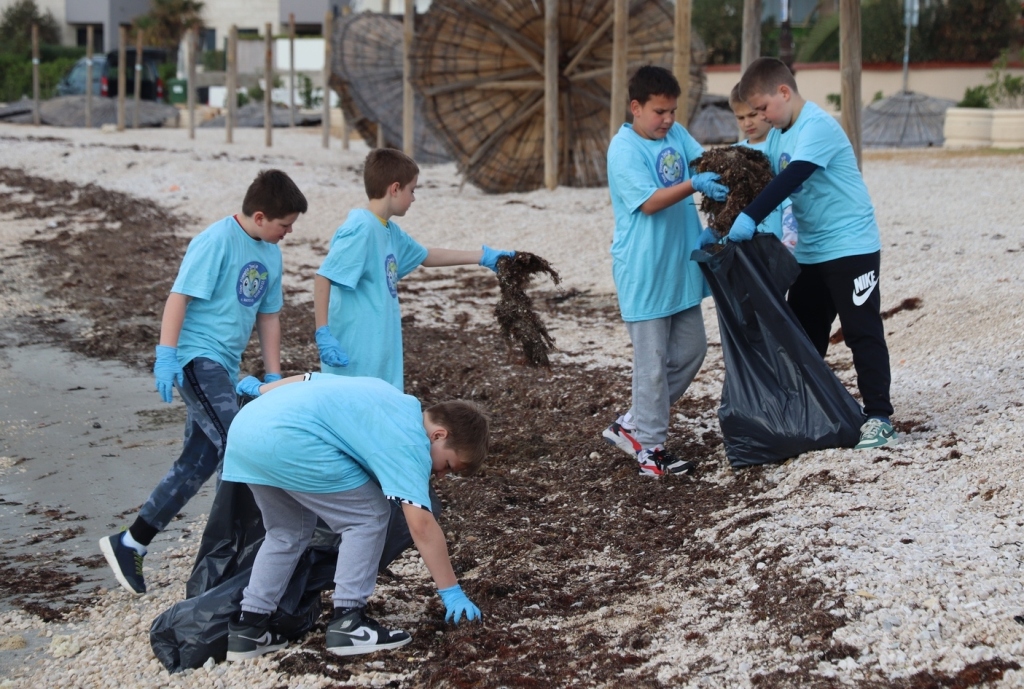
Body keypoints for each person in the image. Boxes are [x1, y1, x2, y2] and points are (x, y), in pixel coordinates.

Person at [99, 169, 308, 596]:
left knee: (198, 463)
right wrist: (166, 355)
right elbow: (180, 297)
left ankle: (131, 541)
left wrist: (272, 374)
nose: (289, 233)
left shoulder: (270, 252)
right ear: (262, 215)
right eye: (285, 225)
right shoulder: (216, 241)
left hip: (226, 368)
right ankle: (235, 556)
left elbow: (268, 317)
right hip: (198, 360)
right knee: (241, 444)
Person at [221, 373, 487, 661]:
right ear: (438, 435)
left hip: (247, 428)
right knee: (368, 516)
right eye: (448, 465)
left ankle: (249, 627)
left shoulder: (387, 394)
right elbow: (421, 524)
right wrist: (451, 591)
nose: (442, 474)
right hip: (290, 438)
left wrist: (260, 388)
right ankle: (348, 621)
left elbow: (310, 378)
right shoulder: (411, 442)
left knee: (287, 531)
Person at [727, 57, 896, 449]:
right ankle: (805, 408)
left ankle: (879, 416)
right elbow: (753, 171)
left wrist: (750, 217)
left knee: (861, 330)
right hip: (811, 250)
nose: (762, 118)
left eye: (764, 108)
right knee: (803, 333)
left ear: (784, 92)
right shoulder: (779, 131)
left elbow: (791, 177)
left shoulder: (815, 126)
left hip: (851, 246)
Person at [601, 64, 730, 477]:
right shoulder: (623, 150)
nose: (669, 120)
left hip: (681, 266)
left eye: (673, 111)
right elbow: (651, 201)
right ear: (636, 108)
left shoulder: (673, 135)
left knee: (691, 351)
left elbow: (702, 159)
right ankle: (651, 450)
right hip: (644, 270)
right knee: (652, 363)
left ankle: (632, 424)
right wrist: (694, 185)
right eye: (660, 112)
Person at [313, 148, 514, 391]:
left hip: (381, 351)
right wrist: (323, 333)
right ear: (395, 188)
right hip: (355, 351)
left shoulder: (388, 230)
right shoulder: (361, 228)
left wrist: (483, 257)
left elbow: (425, 256)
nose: (414, 198)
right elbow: (324, 276)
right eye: (412, 190)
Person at [728, 83, 799, 252]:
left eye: (752, 115)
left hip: (774, 244)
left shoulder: (782, 149)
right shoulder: (731, 153)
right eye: (740, 117)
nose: (747, 123)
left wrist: (789, 243)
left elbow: (791, 202)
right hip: (738, 247)